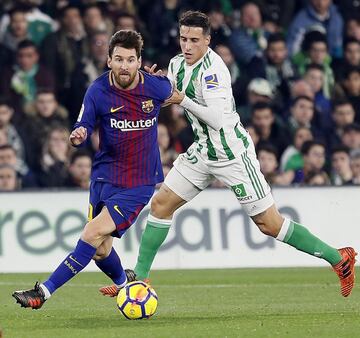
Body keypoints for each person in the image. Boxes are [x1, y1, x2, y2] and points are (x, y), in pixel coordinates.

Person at [117, 11, 356, 298]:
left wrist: (182, 99)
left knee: (270, 224)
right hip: (203, 151)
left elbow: (216, 118)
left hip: (232, 154)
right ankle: (140, 281)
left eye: (194, 40)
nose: (187, 46)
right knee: (161, 205)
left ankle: (338, 259)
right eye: (183, 39)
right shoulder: (177, 64)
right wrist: (160, 87)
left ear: (208, 40)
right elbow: (175, 95)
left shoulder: (214, 70)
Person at [12, 29, 173, 309]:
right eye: (119, 59)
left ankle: (43, 293)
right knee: (100, 250)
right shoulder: (98, 90)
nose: (125, 65)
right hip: (104, 177)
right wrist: (79, 134)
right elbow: (83, 122)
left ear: (139, 61)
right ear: (109, 60)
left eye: (131, 59)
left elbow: (179, 95)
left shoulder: (155, 87)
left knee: (90, 234)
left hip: (138, 183)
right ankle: (126, 284)